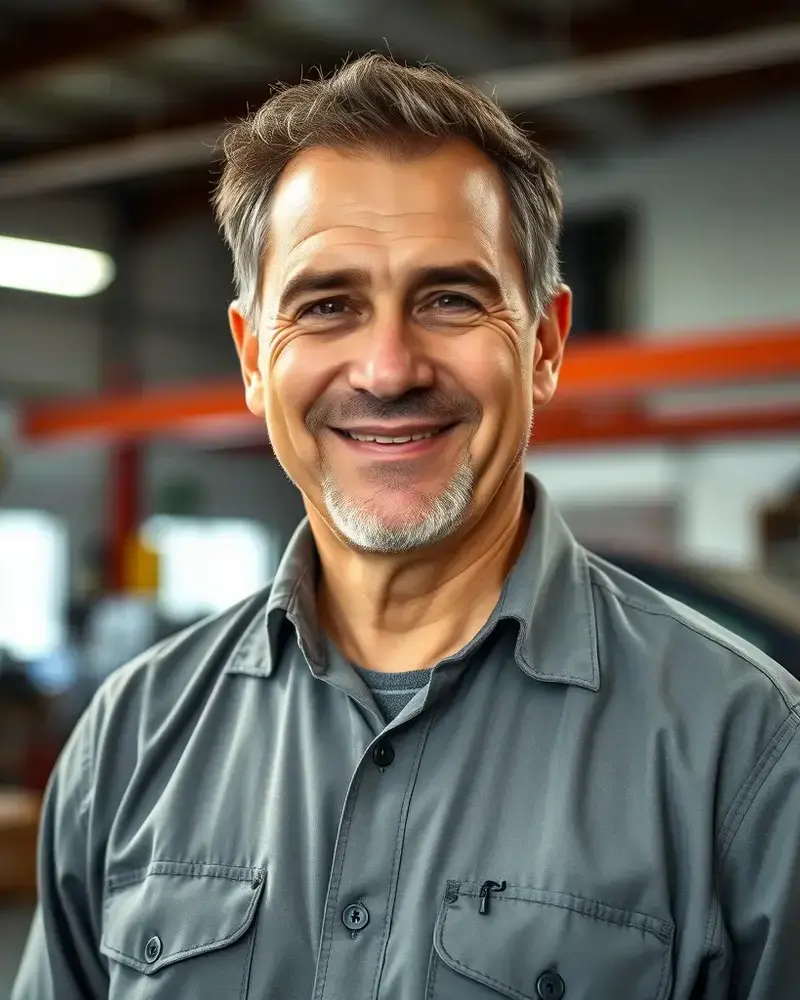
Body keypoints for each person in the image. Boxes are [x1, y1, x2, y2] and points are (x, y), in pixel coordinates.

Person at [13, 54, 800, 1000]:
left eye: (450, 299)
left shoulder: (747, 752)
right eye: (328, 304)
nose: (388, 368)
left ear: (545, 343)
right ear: (255, 356)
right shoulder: (129, 741)